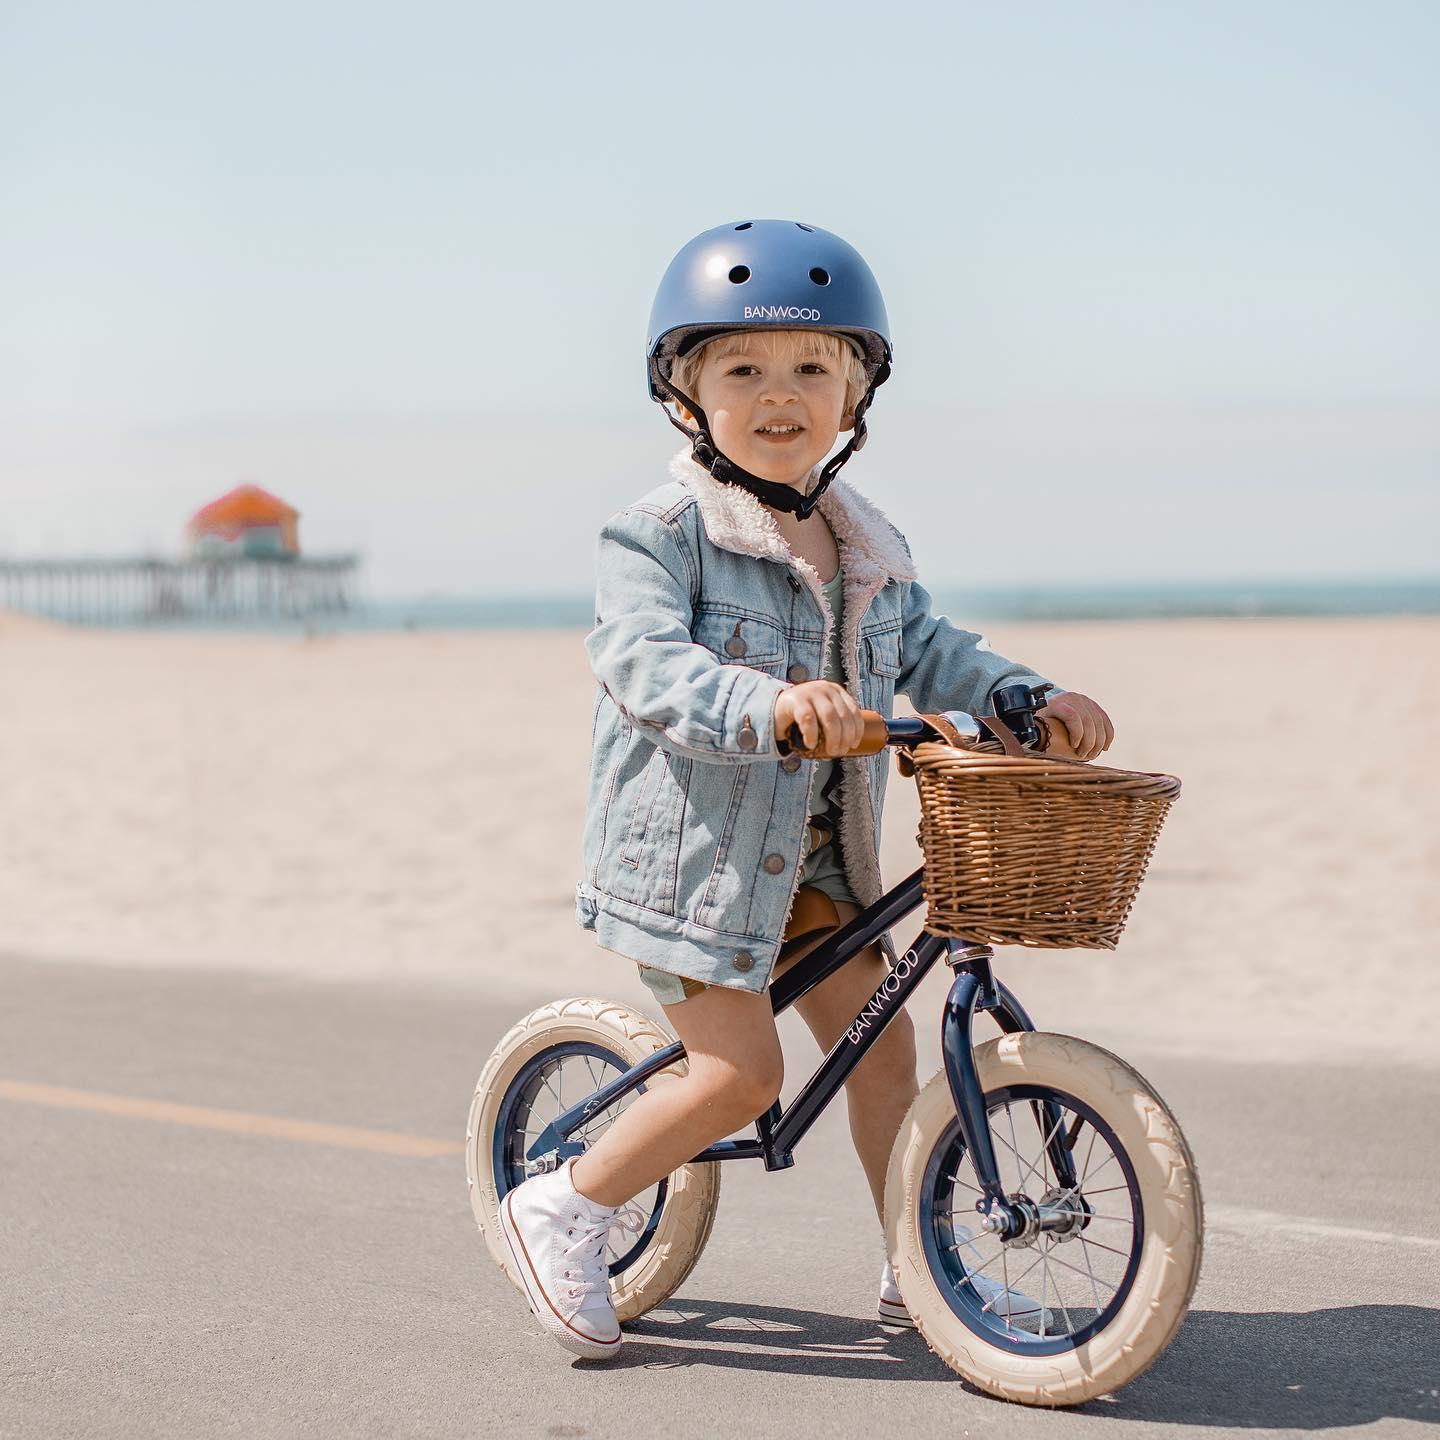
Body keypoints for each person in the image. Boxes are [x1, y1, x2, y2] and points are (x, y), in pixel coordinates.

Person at [498, 220, 1115, 1359]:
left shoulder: (865, 547)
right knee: (741, 1075)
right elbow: (642, 661)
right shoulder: (659, 534)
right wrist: (764, 702)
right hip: (696, 867)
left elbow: (938, 653)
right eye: (742, 370)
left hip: (825, 864)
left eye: (812, 370)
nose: (780, 396)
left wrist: (1031, 695)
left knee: (886, 1054)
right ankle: (564, 1205)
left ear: (854, 394)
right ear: (686, 395)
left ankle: (914, 1260)